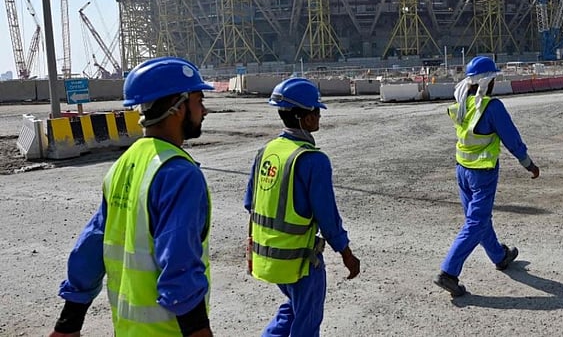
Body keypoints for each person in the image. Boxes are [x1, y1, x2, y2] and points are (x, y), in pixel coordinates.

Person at [49, 57, 215, 337]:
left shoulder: (124, 164)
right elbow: (179, 264)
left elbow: (91, 245)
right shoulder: (180, 174)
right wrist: (198, 331)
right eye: (198, 100)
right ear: (178, 107)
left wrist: (68, 324)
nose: (205, 110)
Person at [245, 77, 360, 336]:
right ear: (304, 118)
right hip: (299, 262)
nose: (319, 116)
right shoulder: (313, 160)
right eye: (316, 111)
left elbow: (250, 203)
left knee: (293, 309)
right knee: (307, 322)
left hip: (269, 260)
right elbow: (328, 218)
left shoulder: (266, 151)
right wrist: (347, 254)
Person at [434, 56, 540, 297]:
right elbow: (511, 139)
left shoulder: (462, 104)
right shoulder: (491, 107)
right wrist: (528, 164)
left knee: (479, 219)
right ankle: (448, 272)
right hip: (483, 172)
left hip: (462, 170)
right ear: (488, 82)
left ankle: (500, 256)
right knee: (476, 222)